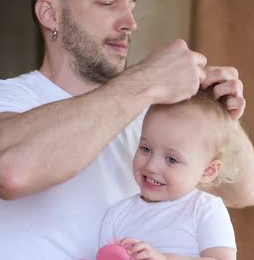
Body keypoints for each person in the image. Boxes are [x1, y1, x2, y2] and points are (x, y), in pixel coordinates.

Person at [0, 0, 254, 260]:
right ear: (50, 14)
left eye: (132, 6)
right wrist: (145, 79)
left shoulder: (147, 112)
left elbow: (246, 192)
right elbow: (10, 171)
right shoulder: (6, 98)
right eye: (108, 3)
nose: (130, 23)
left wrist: (218, 116)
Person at [98, 90, 241, 260]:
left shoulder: (205, 208)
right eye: (146, 149)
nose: (151, 166)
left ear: (207, 171)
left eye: (172, 159)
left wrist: (164, 258)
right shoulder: (117, 215)